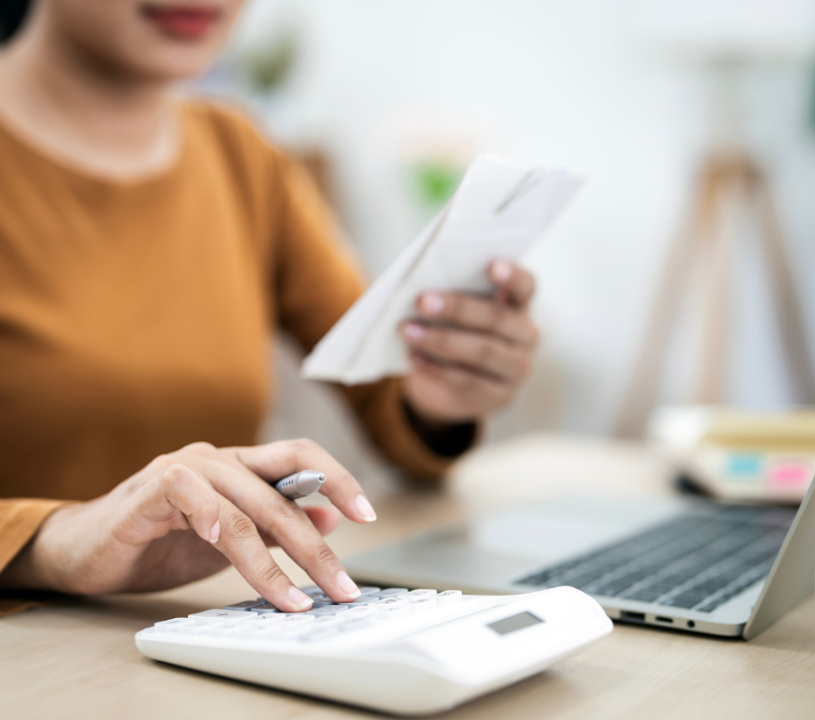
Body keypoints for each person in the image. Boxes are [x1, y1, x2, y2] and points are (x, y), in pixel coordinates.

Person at [0, 0, 539, 615]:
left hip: (212, 635)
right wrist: (54, 540)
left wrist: (440, 393)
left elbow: (382, 394)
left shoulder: (241, 155)